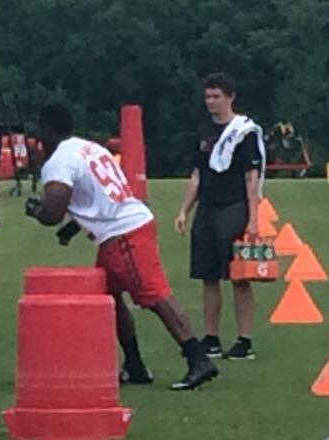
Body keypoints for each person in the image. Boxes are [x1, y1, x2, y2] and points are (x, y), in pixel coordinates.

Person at [26, 103, 218, 390]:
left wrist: (37, 211)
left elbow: (52, 212)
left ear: (47, 130)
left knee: (155, 296)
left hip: (124, 234)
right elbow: (100, 196)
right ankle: (135, 364)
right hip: (122, 227)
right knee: (109, 298)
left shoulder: (59, 160)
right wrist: (74, 226)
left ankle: (197, 358)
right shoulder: (89, 147)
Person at [175, 72, 265, 360]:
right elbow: (197, 175)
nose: (211, 102)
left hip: (234, 206)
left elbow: (252, 179)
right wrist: (183, 211)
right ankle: (211, 337)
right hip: (207, 208)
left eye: (217, 97)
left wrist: (253, 219)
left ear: (230, 97)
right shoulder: (203, 132)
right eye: (208, 97)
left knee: (239, 277)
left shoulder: (244, 133)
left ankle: (244, 340)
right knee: (208, 276)